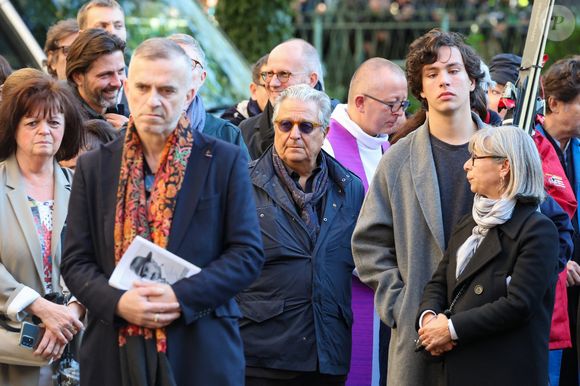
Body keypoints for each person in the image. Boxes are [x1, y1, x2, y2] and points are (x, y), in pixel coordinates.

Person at [61, 37, 264, 386]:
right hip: (114, 349)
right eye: (142, 87)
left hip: (200, 345)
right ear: (127, 89)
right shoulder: (95, 167)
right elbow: (76, 261)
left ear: (188, 95)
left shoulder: (223, 160)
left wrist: (179, 297)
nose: (153, 100)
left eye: (167, 90)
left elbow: (246, 254)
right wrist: (118, 303)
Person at [351, 29, 488, 386]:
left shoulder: (508, 151)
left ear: (472, 81)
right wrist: (403, 307)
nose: (444, 80)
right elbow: (368, 246)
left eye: (453, 70)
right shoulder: (397, 160)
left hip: (491, 333)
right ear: (420, 89)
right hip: (419, 338)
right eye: (432, 73)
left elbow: (548, 231)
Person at [239, 84, 364, 386]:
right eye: (285, 124)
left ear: (325, 131)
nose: (294, 134)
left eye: (306, 126)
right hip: (262, 355)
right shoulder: (241, 182)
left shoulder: (350, 188)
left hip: (327, 353)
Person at [416, 125, 559, 386]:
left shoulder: (538, 230)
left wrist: (449, 330)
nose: (466, 166)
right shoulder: (467, 223)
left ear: (504, 166)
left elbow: (519, 304)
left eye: (474, 158)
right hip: (454, 368)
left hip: (504, 372)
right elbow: (439, 282)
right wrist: (429, 321)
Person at [321, 57, 408, 386]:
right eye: (392, 105)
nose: (400, 114)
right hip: (348, 293)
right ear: (360, 102)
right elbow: (329, 232)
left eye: (404, 103)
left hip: (388, 290)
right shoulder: (327, 145)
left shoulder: (385, 145)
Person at [0, 68, 85, 386]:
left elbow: (101, 259)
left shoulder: (81, 187)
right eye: (32, 122)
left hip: (75, 353)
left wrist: (70, 315)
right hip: (11, 355)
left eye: (53, 121)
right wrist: (38, 306)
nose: (44, 131)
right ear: (14, 127)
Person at [536, 56, 580, 386]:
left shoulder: (576, 147)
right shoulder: (527, 145)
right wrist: (561, 262)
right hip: (547, 285)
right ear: (554, 103)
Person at [167, 33, 250, 159]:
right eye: (170, 62)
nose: (179, 70)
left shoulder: (228, 135)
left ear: (202, 78)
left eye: (189, 63)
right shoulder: (137, 129)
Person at [240, 39, 325, 159]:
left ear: (311, 80)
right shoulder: (245, 131)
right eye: (269, 74)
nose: (273, 83)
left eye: (284, 74)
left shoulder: (337, 129)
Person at [66, 28, 128, 129]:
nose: (117, 83)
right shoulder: (61, 121)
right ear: (78, 77)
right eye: (106, 74)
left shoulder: (125, 116)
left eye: (121, 71)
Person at [221, 54, 270, 126]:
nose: (278, 96)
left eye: (285, 90)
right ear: (254, 90)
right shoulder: (231, 126)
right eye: (270, 87)